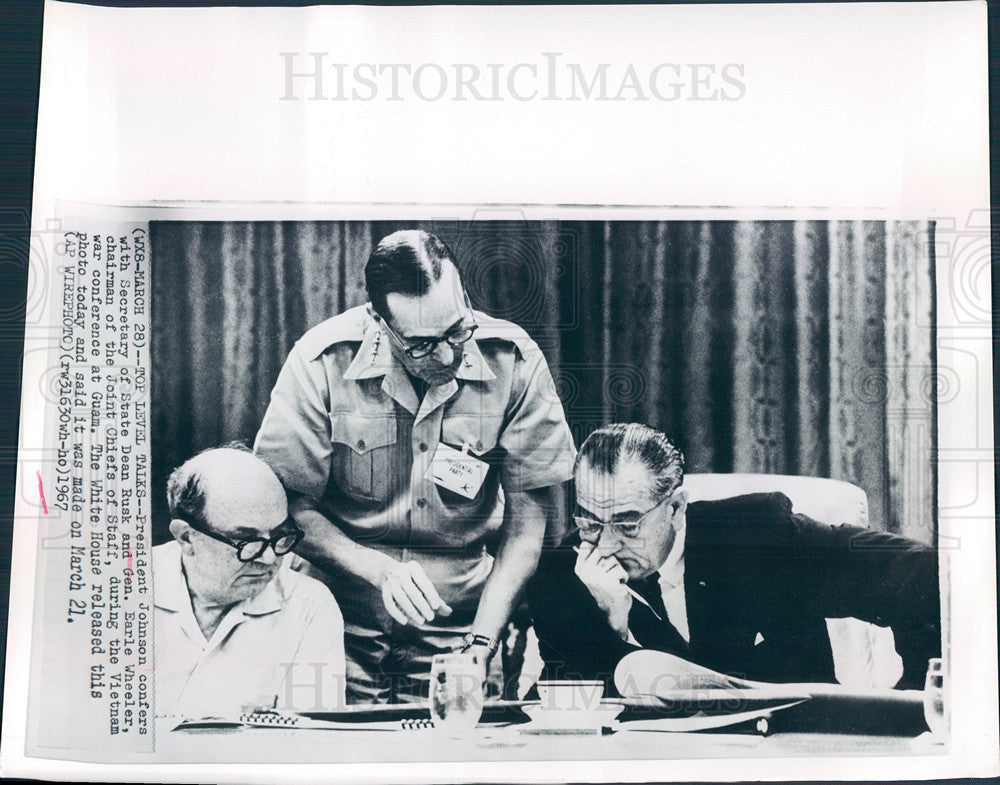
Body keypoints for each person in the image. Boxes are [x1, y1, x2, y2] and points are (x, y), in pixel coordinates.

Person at [254, 229, 575, 702]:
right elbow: (285, 507)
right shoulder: (321, 360)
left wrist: (481, 643)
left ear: (463, 298)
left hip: (460, 635)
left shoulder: (515, 361)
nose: (447, 355)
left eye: (456, 330)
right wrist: (375, 569)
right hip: (336, 630)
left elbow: (527, 527)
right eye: (421, 345)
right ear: (379, 323)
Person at [528, 423, 941, 693]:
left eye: (627, 524)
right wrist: (613, 628)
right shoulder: (563, 574)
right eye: (589, 524)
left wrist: (917, 701)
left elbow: (921, 576)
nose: (606, 546)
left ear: (675, 508)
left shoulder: (755, 535)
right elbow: (572, 712)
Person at [153, 445, 346, 717]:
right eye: (247, 540)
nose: (268, 559)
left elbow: (310, 742)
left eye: (280, 535)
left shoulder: (308, 607)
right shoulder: (119, 591)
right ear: (186, 537)